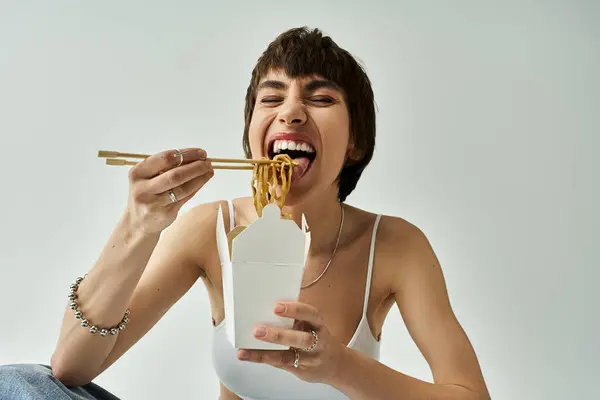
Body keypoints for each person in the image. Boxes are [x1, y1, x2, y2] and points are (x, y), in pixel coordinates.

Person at [0, 27, 490, 400]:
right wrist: (138, 226)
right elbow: (69, 370)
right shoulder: (211, 229)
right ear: (252, 130)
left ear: (356, 141)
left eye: (320, 99)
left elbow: (471, 395)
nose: (291, 112)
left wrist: (338, 365)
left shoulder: (395, 246)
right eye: (271, 98)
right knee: (19, 384)